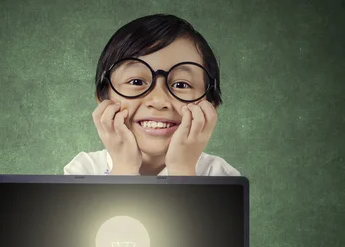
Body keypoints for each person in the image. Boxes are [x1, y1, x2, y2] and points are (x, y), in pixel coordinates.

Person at [63, 14, 240, 176]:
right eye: (136, 82)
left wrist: (182, 170)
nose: (158, 101)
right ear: (103, 98)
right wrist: (125, 168)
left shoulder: (219, 174)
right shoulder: (84, 169)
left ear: (210, 106)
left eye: (181, 84)